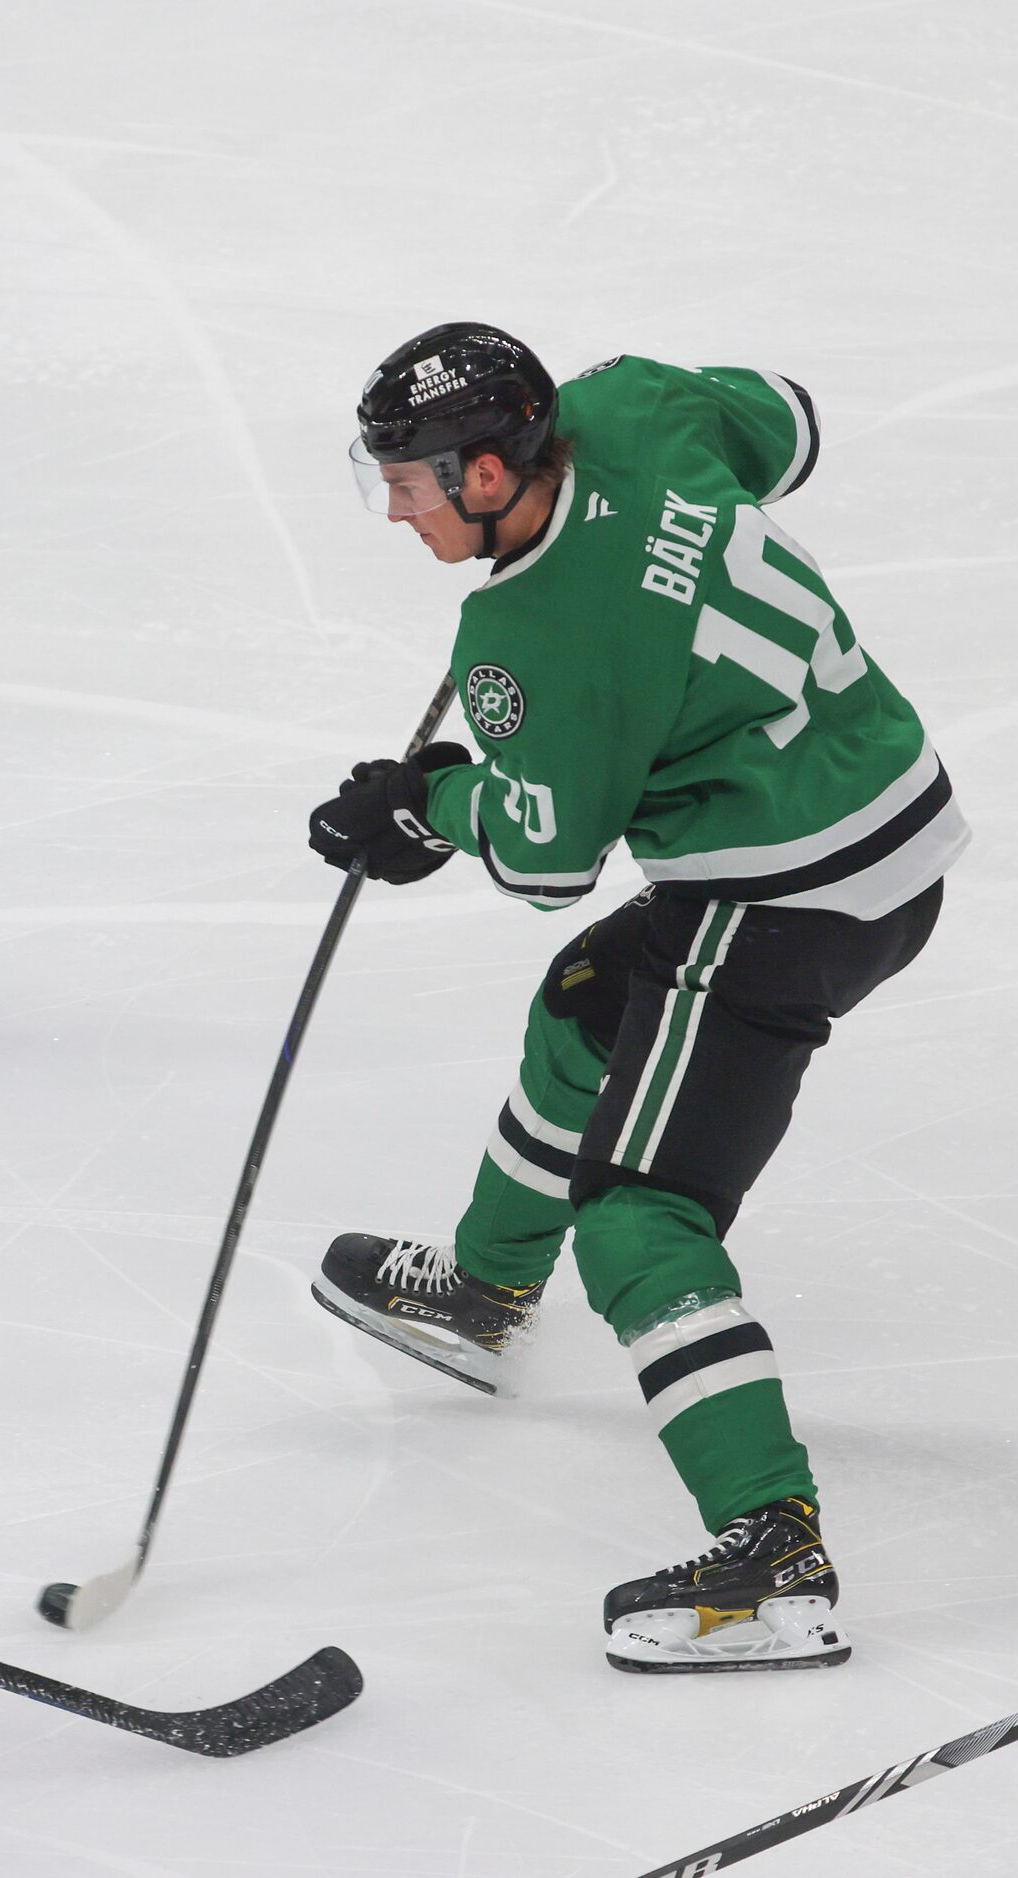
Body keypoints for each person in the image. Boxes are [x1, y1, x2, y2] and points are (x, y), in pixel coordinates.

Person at [305, 324, 968, 1673]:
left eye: (415, 482)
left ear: (491, 474)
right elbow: (787, 416)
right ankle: (483, 1290)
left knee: (639, 1217)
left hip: (779, 900)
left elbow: (546, 857)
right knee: (588, 1006)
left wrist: (425, 802)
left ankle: (774, 1550)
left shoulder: (531, 638)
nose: (394, 506)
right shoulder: (629, 403)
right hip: (890, 815)